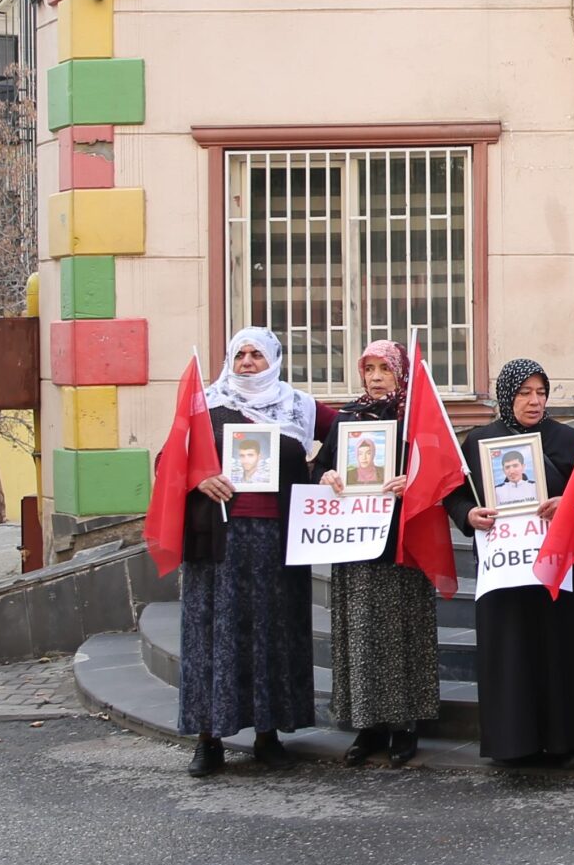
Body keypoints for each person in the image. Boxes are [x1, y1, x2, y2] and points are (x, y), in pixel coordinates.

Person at [445, 358, 574, 767]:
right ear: (507, 396)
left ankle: (568, 741)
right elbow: (455, 494)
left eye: (540, 393)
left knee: (563, 652)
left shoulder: (569, 441)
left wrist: (567, 504)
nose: (534, 401)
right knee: (512, 652)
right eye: (524, 393)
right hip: (506, 569)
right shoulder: (480, 441)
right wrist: (468, 515)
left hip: (561, 569)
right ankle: (513, 742)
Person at [179, 328, 332, 776]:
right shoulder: (204, 404)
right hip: (218, 544)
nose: (248, 362)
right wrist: (198, 478)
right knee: (216, 637)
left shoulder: (299, 407)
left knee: (273, 635)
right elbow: (171, 458)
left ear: (275, 360)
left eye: (257, 355)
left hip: (278, 542)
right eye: (240, 354)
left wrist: (327, 472)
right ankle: (210, 739)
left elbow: (353, 435)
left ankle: (269, 734)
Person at [310, 341, 433, 770]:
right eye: (369, 368)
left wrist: (411, 480)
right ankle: (368, 724)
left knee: (401, 631)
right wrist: (325, 474)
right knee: (360, 633)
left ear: (400, 372)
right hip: (354, 540)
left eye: (385, 368)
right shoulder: (347, 418)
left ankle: (405, 724)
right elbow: (319, 468)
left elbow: (440, 471)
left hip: (399, 542)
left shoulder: (414, 416)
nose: (377, 376)